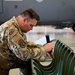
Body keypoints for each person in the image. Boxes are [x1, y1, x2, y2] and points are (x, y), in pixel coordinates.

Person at [0, 8, 53, 75]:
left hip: (5, 59)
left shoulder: (15, 26)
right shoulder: (11, 30)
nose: (31, 29)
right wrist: (44, 50)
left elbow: (23, 44)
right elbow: (24, 55)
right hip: (2, 64)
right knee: (26, 59)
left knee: (27, 62)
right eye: (31, 25)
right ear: (24, 20)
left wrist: (41, 47)